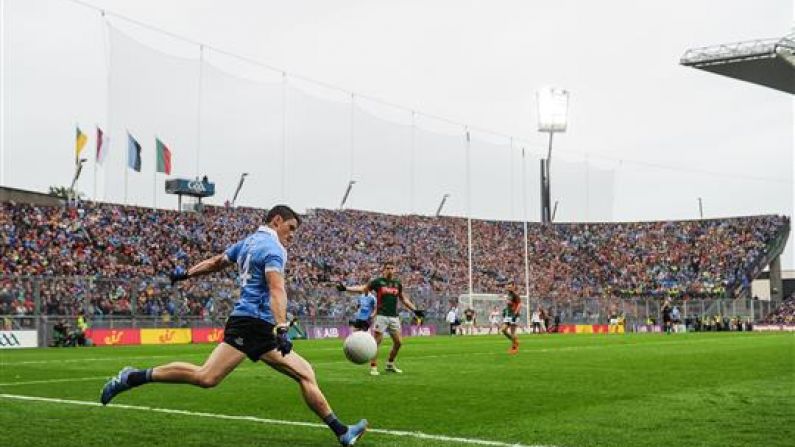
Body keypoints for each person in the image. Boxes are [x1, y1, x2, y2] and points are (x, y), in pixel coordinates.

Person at [99, 205, 367, 446]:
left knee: (303, 372)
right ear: (276, 220)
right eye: (291, 227)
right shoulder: (275, 249)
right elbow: (277, 289)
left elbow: (216, 263)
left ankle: (342, 432)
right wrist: (282, 327)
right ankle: (132, 377)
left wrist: (186, 273)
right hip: (252, 324)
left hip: (254, 325)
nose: (293, 234)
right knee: (207, 377)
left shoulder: (247, 243)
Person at [337, 261, 424, 376]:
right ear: (384, 270)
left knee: (398, 343)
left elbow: (403, 299)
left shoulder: (397, 283)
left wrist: (415, 309)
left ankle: (390, 364)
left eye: (392, 268)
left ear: (395, 270)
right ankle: (373, 367)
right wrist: (346, 288)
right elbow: (364, 289)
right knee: (376, 342)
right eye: (388, 268)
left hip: (394, 317)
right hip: (381, 316)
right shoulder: (378, 282)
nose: (390, 270)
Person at [500, 284, 521, 354]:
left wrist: (515, 313)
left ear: (513, 287)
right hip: (508, 315)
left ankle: (514, 348)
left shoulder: (515, 295)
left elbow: (519, 304)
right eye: (508, 287)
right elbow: (509, 304)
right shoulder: (509, 295)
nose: (509, 288)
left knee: (512, 332)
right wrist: (505, 310)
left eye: (510, 287)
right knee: (503, 330)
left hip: (513, 315)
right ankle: (515, 342)